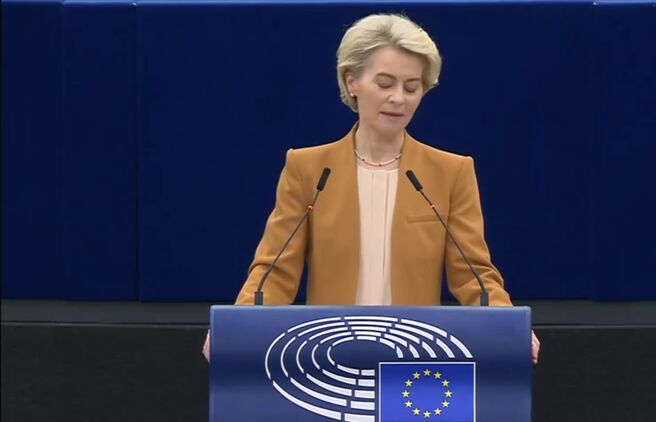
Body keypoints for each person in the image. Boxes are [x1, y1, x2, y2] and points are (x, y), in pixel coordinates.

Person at [203, 13, 540, 364]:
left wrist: (507, 325)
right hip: (329, 359)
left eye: (412, 87)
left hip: (412, 362)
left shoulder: (450, 172)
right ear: (352, 81)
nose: (398, 98)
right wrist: (238, 325)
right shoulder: (308, 170)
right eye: (385, 83)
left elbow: (475, 276)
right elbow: (273, 272)